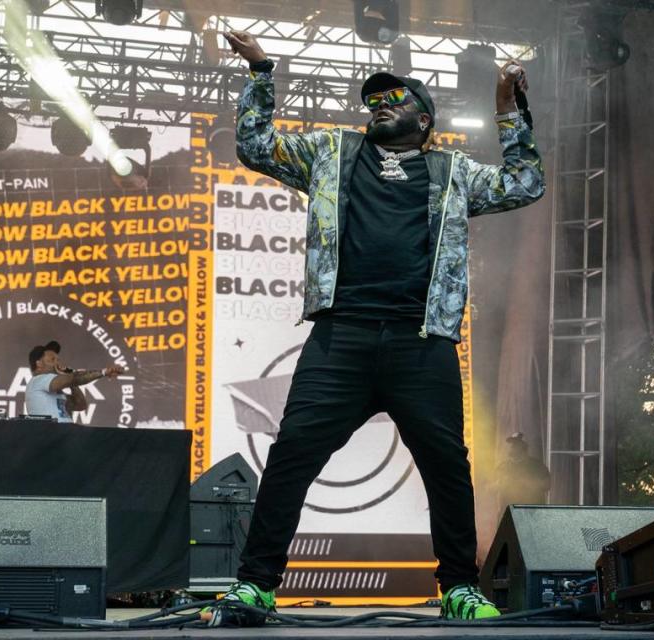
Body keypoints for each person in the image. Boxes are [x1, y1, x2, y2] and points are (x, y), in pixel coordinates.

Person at [203, 30, 545, 626]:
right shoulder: (331, 154)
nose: (381, 104)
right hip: (342, 338)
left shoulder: (453, 172)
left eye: (396, 98)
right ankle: (255, 586)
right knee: (291, 459)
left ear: (425, 121)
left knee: (446, 464)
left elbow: (524, 183)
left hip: (422, 342)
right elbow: (255, 145)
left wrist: (505, 113)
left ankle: (460, 589)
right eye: (375, 99)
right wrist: (261, 70)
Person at [24, 340, 124, 422]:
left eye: (58, 359)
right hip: (52, 437)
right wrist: (104, 372)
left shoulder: (53, 390)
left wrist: (70, 381)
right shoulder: (38, 380)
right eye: (52, 359)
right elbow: (75, 378)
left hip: (65, 436)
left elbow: (80, 404)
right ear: (39, 364)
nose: (57, 363)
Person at [494, 432, 551, 508]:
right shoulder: (502, 467)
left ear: (524, 446)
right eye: (511, 444)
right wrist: (499, 484)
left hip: (531, 513)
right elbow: (492, 487)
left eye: (515, 444)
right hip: (508, 514)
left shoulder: (537, 466)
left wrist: (527, 482)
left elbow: (547, 485)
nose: (511, 447)